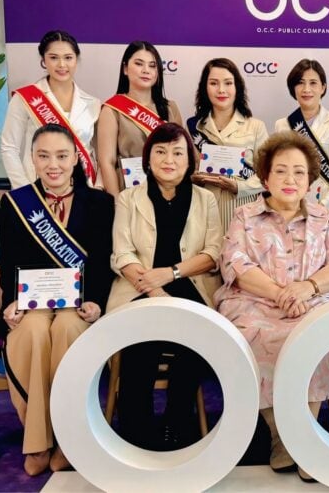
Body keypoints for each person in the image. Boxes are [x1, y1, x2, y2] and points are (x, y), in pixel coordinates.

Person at [214, 131, 329, 482]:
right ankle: (282, 438)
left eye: (299, 172)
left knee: (320, 340)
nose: (290, 180)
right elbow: (235, 263)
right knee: (256, 337)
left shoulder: (324, 217)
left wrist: (307, 287)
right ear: (265, 178)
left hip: (312, 301)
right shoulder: (245, 216)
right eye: (281, 171)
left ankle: (305, 436)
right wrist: (280, 294)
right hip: (254, 302)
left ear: (310, 180)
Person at [0, 123, 114, 475]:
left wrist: (95, 301)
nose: (53, 165)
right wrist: (11, 301)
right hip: (32, 302)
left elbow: (103, 261)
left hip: (78, 303)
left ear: (76, 158)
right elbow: (9, 261)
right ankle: (37, 441)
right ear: (32, 159)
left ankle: (68, 438)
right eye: (44, 156)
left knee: (67, 329)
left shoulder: (100, 203)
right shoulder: (17, 204)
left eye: (62, 156)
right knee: (31, 332)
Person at [108, 123, 222, 451]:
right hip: (138, 287)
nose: (168, 160)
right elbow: (122, 253)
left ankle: (178, 423)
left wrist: (170, 274)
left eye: (177, 153)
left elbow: (213, 253)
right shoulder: (128, 198)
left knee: (194, 339)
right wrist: (153, 289)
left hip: (189, 285)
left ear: (190, 160)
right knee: (140, 340)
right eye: (160, 151)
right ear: (147, 159)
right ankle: (137, 430)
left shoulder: (205, 199)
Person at [1, 30, 101, 189]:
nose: (62, 65)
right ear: (43, 60)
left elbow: (99, 154)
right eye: (54, 58)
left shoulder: (93, 104)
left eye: (68, 58)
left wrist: (98, 187)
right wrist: (24, 190)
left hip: (84, 189)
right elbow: (9, 148)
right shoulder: (25, 98)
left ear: (76, 60)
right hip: (38, 187)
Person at [186, 58, 269, 232]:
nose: (221, 90)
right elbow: (183, 171)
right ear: (205, 88)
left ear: (237, 87)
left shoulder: (255, 127)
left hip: (244, 210)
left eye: (228, 83)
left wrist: (239, 187)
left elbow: (268, 174)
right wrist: (193, 178)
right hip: (204, 210)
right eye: (213, 83)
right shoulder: (194, 127)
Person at [93, 41, 183, 196]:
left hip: (167, 191)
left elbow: (181, 154)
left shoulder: (170, 108)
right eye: (139, 64)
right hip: (129, 192)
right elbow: (107, 162)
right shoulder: (112, 110)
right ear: (125, 68)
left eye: (152, 66)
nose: (146, 70)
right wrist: (117, 202)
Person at [273, 59, 329, 224]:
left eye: (313, 83)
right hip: (292, 208)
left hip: (326, 209)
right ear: (293, 88)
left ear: (323, 87)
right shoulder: (282, 125)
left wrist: (324, 205)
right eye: (300, 83)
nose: (306, 89)